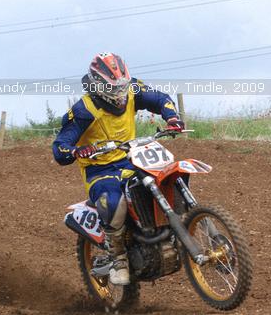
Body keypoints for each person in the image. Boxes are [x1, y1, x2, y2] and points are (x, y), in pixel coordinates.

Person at [52, 52, 185, 285]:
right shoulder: (85, 109)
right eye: (114, 87)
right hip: (100, 171)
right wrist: (75, 151)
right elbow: (60, 147)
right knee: (114, 202)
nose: (120, 93)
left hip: (131, 159)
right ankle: (118, 257)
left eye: (122, 86)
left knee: (166, 175)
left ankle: (181, 223)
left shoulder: (131, 90)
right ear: (98, 84)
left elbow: (160, 98)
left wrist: (171, 117)